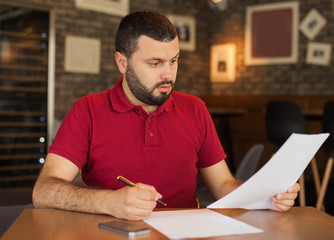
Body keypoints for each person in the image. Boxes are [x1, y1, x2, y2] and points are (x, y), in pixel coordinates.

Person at [32, 11, 300, 220]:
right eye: (155, 63)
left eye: (173, 61)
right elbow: (44, 191)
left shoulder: (195, 108)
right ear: (122, 62)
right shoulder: (87, 110)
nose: (168, 75)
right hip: (112, 231)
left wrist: (265, 197)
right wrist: (108, 202)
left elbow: (223, 186)